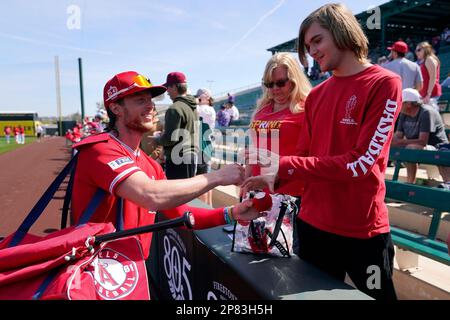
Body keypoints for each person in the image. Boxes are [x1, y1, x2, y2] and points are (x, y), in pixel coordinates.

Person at [241, 3, 402, 300]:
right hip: (312, 226)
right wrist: (270, 183)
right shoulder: (316, 95)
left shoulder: (384, 83)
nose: (312, 51)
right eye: (307, 45)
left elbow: (360, 164)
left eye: (317, 40)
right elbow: (303, 159)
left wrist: (283, 164)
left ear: (342, 32)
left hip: (362, 231)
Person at [71, 70, 262, 259]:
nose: (150, 107)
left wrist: (232, 213)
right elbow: (151, 195)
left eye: (150, 100)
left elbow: (179, 213)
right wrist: (217, 177)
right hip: (93, 273)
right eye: (140, 100)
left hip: (132, 275)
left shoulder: (150, 164)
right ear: (116, 109)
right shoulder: (100, 149)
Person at [245, 52, 311, 203]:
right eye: (269, 84)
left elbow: (312, 156)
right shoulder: (262, 109)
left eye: (280, 83)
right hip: (258, 193)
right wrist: (246, 182)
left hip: (289, 195)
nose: (275, 89)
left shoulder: (306, 108)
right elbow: (253, 148)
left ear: (294, 80)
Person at [391, 88, 450, 187]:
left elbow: (423, 141)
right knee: (395, 146)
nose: (398, 105)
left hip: (438, 147)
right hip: (416, 145)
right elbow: (397, 136)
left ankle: (411, 184)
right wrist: (390, 142)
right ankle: (409, 185)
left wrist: (398, 142)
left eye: (401, 102)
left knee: (411, 148)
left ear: (409, 104)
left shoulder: (426, 112)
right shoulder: (403, 114)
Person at [152, 72, 199, 179]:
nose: (167, 91)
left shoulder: (175, 108)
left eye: (168, 87)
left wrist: (157, 139)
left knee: (178, 194)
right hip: (191, 156)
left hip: (178, 158)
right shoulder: (193, 107)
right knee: (188, 192)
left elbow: (170, 139)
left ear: (174, 87)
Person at [195, 88, 216, 206]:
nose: (198, 99)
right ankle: (209, 205)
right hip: (206, 144)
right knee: (206, 177)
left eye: (200, 97)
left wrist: (195, 101)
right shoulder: (209, 109)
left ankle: (204, 206)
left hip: (202, 146)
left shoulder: (205, 109)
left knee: (201, 178)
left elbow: (195, 108)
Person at [415, 41, 442, 111]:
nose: (416, 52)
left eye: (419, 50)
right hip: (427, 93)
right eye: (416, 50)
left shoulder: (429, 59)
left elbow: (433, 78)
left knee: (431, 116)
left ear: (425, 49)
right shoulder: (426, 59)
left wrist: (428, 94)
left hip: (431, 93)